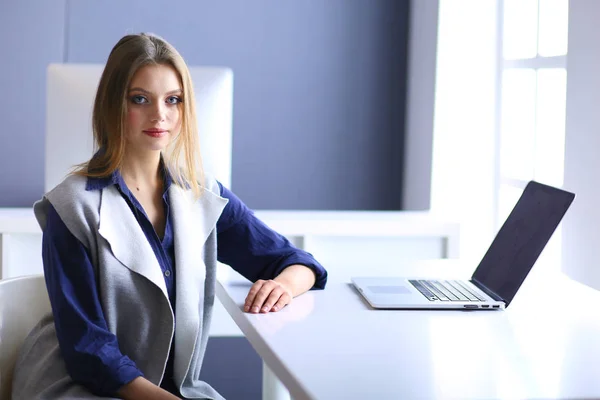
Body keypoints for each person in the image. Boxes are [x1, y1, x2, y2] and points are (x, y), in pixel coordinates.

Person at [12, 33, 327, 400]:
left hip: (171, 389)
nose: (159, 114)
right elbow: (89, 351)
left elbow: (297, 262)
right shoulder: (70, 207)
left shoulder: (200, 194)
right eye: (140, 99)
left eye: (173, 100)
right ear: (114, 104)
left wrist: (283, 285)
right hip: (80, 387)